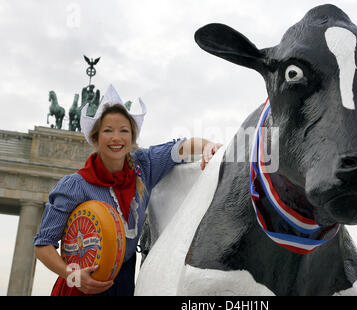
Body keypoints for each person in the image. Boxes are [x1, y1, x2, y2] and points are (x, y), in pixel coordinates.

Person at [33, 85, 223, 296]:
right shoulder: (75, 186)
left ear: (132, 137)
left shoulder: (144, 166)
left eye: (124, 130)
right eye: (108, 131)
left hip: (123, 286)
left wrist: (209, 146)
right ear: (96, 138)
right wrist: (74, 276)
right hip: (80, 287)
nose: (116, 138)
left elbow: (182, 147)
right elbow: (43, 245)